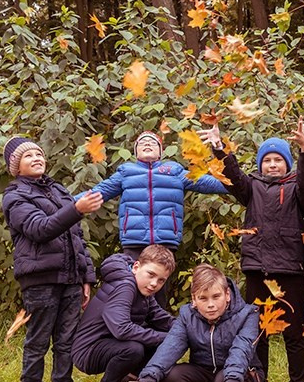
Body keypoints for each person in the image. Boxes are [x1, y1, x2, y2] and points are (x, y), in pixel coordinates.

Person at [198, 121, 304, 382]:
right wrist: (219, 147)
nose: (273, 165)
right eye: (268, 160)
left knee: (293, 333)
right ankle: (257, 381)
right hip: (256, 268)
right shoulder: (251, 187)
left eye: (278, 160)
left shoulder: (296, 189)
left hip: (289, 269)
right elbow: (233, 175)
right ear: (260, 164)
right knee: (256, 332)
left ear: (286, 164)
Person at [1, 136, 102, 382]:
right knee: (37, 342)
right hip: (40, 280)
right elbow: (39, 228)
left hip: (71, 278)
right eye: (28, 155)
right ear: (15, 166)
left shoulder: (58, 190)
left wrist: (86, 276)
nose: (36, 157)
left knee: (66, 343)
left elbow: (76, 237)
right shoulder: (15, 195)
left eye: (39, 153)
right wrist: (77, 209)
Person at [124, 264, 286, 382]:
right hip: (203, 374)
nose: (211, 305)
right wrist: (146, 380)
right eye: (203, 298)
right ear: (194, 299)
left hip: (241, 376)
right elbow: (170, 347)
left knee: (224, 380)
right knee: (168, 376)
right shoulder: (187, 315)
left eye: (216, 297)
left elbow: (241, 350)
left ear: (227, 295)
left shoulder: (247, 314)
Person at [83, 130, 229, 306]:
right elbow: (98, 192)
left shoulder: (174, 171)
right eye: (142, 142)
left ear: (161, 152)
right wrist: (65, 204)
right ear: (136, 152)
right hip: (134, 242)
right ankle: (127, 330)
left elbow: (213, 183)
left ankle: (159, 332)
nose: (147, 144)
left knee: (158, 295)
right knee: (130, 292)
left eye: (152, 142)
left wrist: (245, 183)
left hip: (164, 243)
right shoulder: (126, 172)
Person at [72, 245, 176, 382]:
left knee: (156, 343)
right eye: (150, 275)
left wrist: (186, 328)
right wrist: (164, 337)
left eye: (161, 280)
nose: (154, 284)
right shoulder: (125, 286)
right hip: (87, 351)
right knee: (134, 349)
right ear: (136, 267)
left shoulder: (141, 289)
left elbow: (160, 318)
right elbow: (121, 328)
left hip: (108, 344)